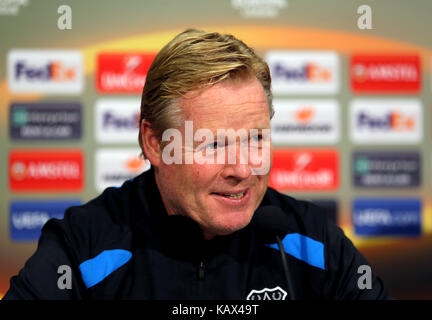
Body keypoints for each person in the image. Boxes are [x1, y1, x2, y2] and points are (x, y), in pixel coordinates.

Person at [3, 29, 390, 300]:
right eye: (215, 143)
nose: (242, 168)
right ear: (155, 143)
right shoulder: (83, 247)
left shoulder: (313, 240)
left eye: (256, 138)